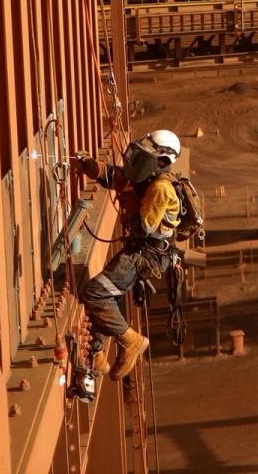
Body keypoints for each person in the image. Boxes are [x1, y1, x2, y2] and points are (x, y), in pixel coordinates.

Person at [77, 129, 183, 379]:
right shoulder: (148, 178)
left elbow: (144, 227)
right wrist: (90, 165)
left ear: (162, 160)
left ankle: (131, 340)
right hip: (139, 251)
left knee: (96, 292)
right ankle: (98, 355)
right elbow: (119, 177)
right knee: (106, 291)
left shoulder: (160, 188)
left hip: (145, 256)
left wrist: (128, 197)